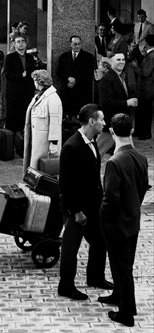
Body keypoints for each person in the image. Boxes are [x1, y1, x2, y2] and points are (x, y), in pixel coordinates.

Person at [99, 113, 149, 327]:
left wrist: (103, 217)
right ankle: (118, 294)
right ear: (131, 131)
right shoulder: (141, 157)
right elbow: (143, 187)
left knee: (122, 268)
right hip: (132, 220)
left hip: (117, 223)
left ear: (111, 132)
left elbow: (110, 198)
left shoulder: (114, 162)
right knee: (124, 263)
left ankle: (126, 312)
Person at [58, 103, 113, 300]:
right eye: (102, 119)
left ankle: (96, 277)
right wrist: (76, 211)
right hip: (77, 209)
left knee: (100, 242)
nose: (104, 123)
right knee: (70, 249)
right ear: (92, 121)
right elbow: (66, 183)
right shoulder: (72, 146)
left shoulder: (92, 141)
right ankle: (65, 286)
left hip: (93, 206)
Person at [22, 70, 63, 173]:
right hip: (36, 139)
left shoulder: (53, 98)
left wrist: (53, 145)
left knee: (42, 170)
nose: (34, 83)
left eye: (35, 80)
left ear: (40, 82)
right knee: (34, 168)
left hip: (45, 144)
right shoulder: (38, 96)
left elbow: (56, 124)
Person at [56, 35, 97, 119]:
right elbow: (59, 72)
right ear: (70, 44)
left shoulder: (88, 57)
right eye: (75, 44)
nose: (77, 46)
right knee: (68, 116)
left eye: (79, 44)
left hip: (82, 91)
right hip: (68, 90)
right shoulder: (64, 57)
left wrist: (75, 81)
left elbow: (89, 74)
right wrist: (68, 79)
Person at [4, 35, 37, 133]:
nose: (21, 43)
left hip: (27, 92)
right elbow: (7, 74)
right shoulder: (9, 58)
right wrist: (21, 75)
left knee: (25, 117)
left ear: (26, 44)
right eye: (18, 41)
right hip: (14, 93)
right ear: (14, 44)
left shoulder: (30, 58)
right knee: (13, 118)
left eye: (23, 41)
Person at [99, 52, 138, 128]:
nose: (121, 62)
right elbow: (106, 102)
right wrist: (126, 103)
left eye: (123, 59)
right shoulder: (107, 79)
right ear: (111, 62)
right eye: (118, 59)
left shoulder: (122, 76)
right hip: (113, 121)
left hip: (122, 120)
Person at [132, 33, 154, 140]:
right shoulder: (149, 54)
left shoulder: (151, 56)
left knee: (145, 111)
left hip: (147, 89)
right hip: (144, 89)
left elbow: (145, 72)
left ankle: (145, 133)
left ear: (147, 43)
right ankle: (139, 131)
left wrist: (136, 67)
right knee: (141, 110)